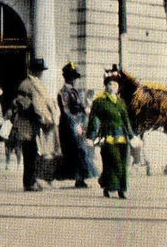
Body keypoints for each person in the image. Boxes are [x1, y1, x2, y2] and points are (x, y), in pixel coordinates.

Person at [86, 68, 135, 199]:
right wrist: (91, 136)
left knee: (123, 162)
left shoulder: (121, 102)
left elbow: (126, 121)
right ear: (105, 86)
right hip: (107, 136)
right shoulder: (100, 102)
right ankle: (112, 186)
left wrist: (132, 135)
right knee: (113, 161)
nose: (112, 87)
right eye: (110, 84)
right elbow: (94, 119)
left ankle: (120, 188)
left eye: (115, 84)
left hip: (122, 137)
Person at [12, 58, 58, 192]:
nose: (41, 73)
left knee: (34, 153)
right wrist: (39, 114)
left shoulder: (36, 83)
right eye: (39, 70)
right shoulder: (26, 84)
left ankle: (33, 180)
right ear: (33, 70)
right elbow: (22, 104)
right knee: (29, 153)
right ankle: (29, 183)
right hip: (26, 124)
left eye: (41, 71)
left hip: (34, 124)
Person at [58, 62, 94, 188]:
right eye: (72, 77)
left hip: (79, 123)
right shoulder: (63, 92)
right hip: (70, 125)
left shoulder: (75, 91)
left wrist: (86, 109)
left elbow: (81, 105)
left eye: (74, 77)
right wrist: (76, 125)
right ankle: (78, 178)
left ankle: (81, 178)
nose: (74, 80)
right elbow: (66, 111)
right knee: (77, 151)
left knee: (81, 151)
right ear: (68, 77)